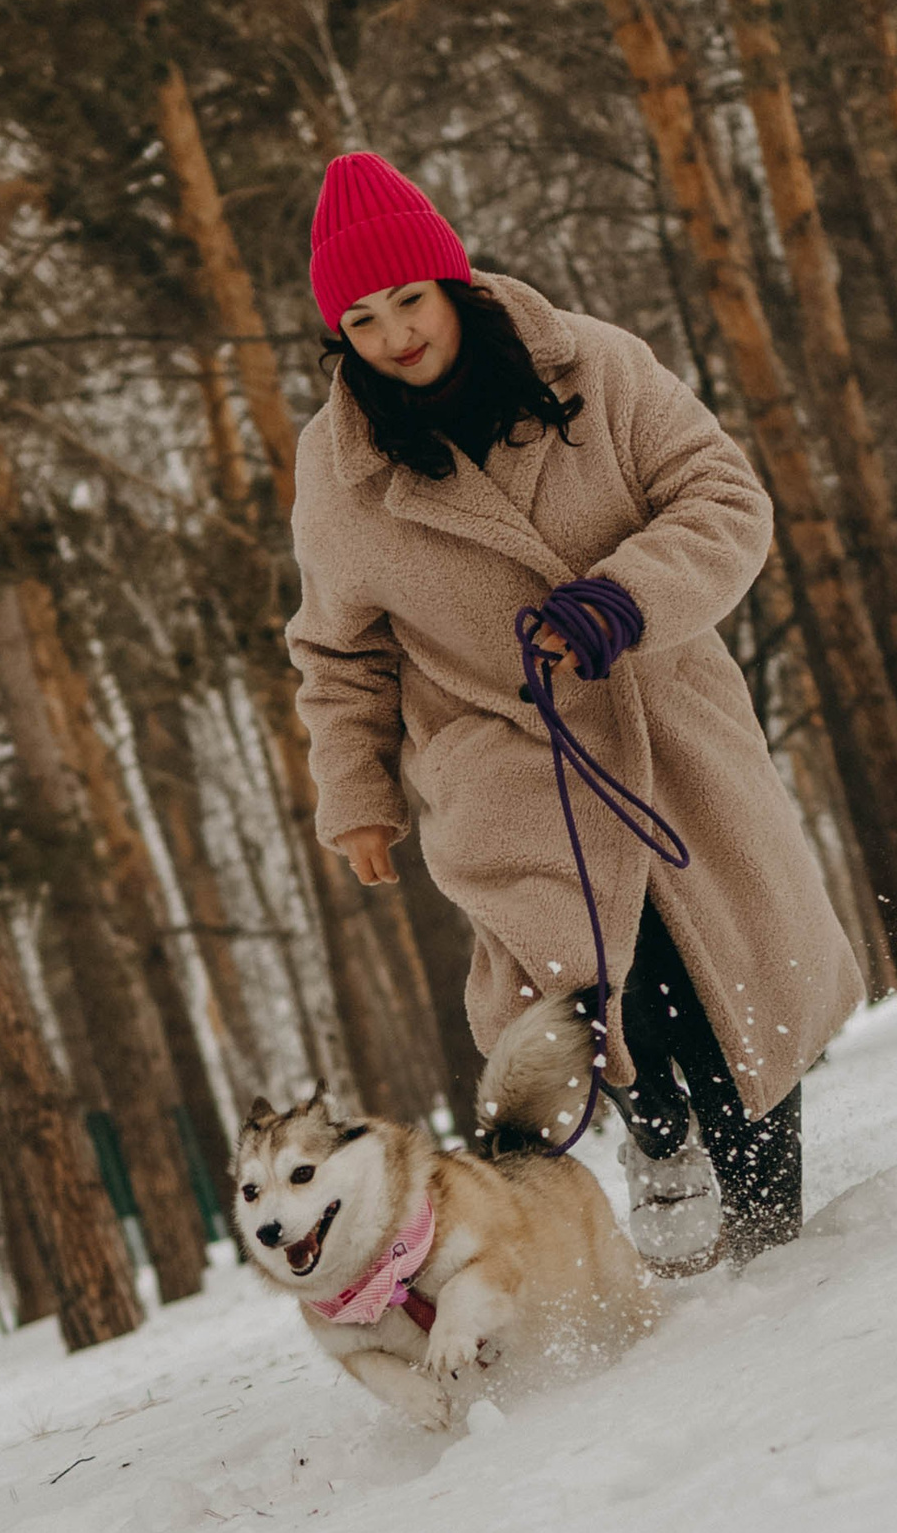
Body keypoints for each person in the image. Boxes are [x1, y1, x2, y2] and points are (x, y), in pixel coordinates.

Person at [284, 151, 864, 1271]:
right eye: (360, 319)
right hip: (503, 758)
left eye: (408, 300)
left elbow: (723, 495)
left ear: (451, 282)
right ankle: (658, 1138)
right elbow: (341, 650)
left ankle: (771, 1237)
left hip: (665, 717)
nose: (394, 335)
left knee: (732, 973)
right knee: (595, 984)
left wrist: (622, 598)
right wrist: (355, 794)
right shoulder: (338, 467)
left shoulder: (595, 365)